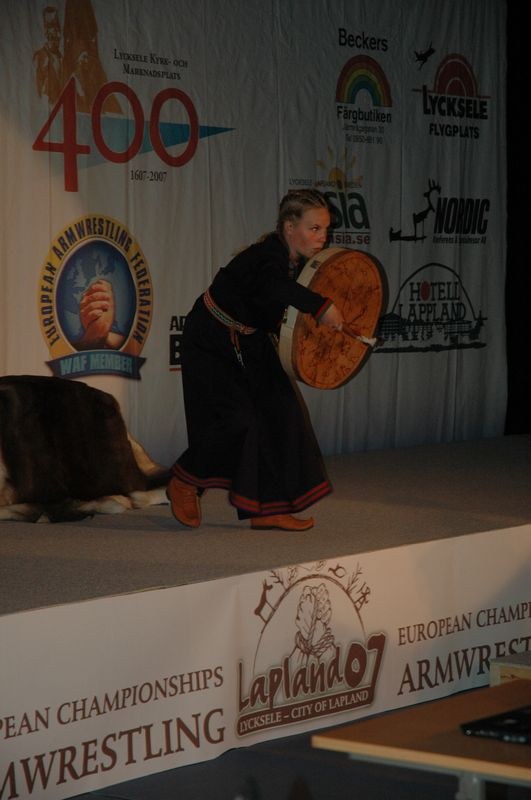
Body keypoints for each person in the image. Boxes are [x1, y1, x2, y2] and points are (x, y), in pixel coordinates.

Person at [167, 189, 344, 532]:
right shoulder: (267, 256)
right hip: (211, 337)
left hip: (250, 339)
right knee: (237, 420)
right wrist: (321, 307)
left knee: (283, 411)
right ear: (289, 227)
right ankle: (185, 481)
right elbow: (276, 288)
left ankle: (268, 508)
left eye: (325, 229)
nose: (322, 237)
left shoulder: (302, 264)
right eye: (314, 228)